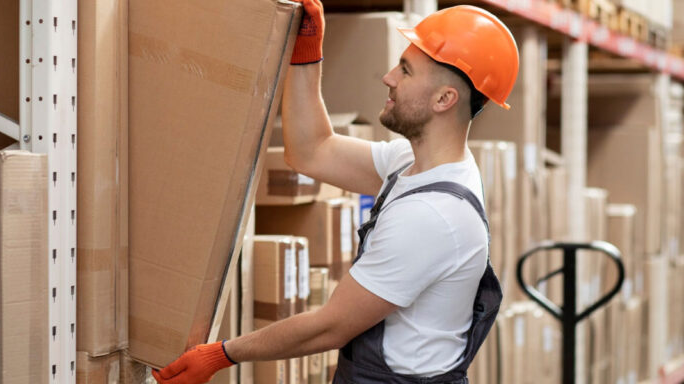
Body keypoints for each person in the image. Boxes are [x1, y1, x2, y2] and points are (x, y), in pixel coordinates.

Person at [152, 1, 519, 383]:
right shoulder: (416, 165)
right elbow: (313, 151)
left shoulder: (433, 216)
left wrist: (220, 355)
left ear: (445, 99)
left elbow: (329, 327)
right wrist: (307, 53)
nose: (389, 77)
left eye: (406, 71)